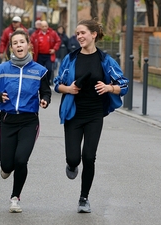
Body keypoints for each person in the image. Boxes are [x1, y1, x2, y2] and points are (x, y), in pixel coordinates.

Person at [53, 19, 128, 213]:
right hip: (73, 114)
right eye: (77, 33)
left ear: (93, 34)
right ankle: (71, 164)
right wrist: (68, 88)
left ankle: (84, 198)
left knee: (89, 156)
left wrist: (109, 87)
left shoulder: (105, 60)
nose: (79, 37)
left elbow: (124, 85)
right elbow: (56, 83)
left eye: (82, 33)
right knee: (73, 158)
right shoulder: (70, 59)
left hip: (95, 114)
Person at [0, 30, 51, 213]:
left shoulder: (40, 70)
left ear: (29, 45)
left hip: (29, 121)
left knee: (21, 160)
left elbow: (46, 91)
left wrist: (45, 99)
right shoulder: (3, 69)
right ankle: (7, 168)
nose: (19, 45)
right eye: (15, 43)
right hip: (7, 121)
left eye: (22, 42)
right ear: (11, 47)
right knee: (7, 165)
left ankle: (15, 197)